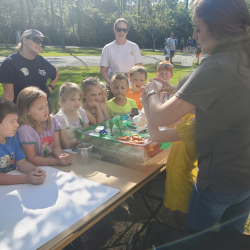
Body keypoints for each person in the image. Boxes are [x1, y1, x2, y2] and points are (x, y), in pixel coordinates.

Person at [142, 0, 250, 234]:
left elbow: (161, 117)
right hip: (245, 177)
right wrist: (181, 94)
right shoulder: (243, 58)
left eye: (198, 28)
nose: (194, 35)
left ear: (218, 27)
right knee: (232, 239)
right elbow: (225, 104)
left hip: (219, 180)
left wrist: (150, 92)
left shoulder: (216, 66)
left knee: (195, 237)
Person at [142, 73, 197, 229]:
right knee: (178, 214)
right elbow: (172, 121)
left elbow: (156, 135)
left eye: (181, 98)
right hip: (179, 172)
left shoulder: (193, 127)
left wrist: (147, 105)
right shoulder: (195, 114)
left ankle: (186, 240)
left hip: (183, 178)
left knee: (182, 219)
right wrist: (174, 91)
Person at [0, 29, 59, 112]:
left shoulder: (42, 61)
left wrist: (50, 87)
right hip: (23, 113)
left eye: (42, 43)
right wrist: (11, 117)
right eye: (36, 40)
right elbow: (9, 96)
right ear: (24, 40)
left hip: (44, 110)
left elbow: (55, 72)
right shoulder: (10, 63)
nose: (40, 44)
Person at [17, 87, 73, 166]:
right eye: (40, 108)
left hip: (50, 163)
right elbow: (31, 159)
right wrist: (56, 161)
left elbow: (56, 147)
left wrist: (61, 156)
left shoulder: (52, 121)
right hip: (35, 169)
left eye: (46, 105)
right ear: (27, 111)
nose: (46, 110)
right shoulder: (25, 130)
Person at [0, 98, 46, 185]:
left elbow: (21, 162)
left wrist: (35, 170)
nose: (17, 125)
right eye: (11, 121)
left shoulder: (12, 137)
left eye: (16, 120)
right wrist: (25, 178)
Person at [100, 18, 142, 100]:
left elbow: (139, 69)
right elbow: (103, 71)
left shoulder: (134, 47)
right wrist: (112, 85)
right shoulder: (107, 48)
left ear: (127, 31)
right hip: (113, 89)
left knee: (132, 112)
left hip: (130, 88)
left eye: (124, 30)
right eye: (119, 29)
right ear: (114, 30)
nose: (121, 32)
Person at [54, 82, 89, 149]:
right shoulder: (59, 118)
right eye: (73, 100)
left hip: (83, 148)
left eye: (79, 99)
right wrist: (83, 141)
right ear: (62, 100)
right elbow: (66, 144)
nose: (77, 103)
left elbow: (87, 134)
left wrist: (85, 140)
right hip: (67, 152)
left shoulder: (82, 113)